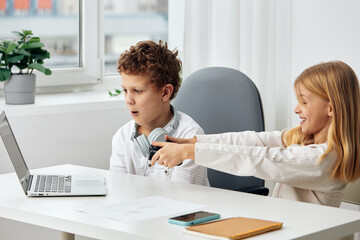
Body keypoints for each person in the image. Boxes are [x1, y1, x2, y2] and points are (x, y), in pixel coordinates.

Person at [150, 61, 360, 207]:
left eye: (304, 102)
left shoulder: (325, 160)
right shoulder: (303, 140)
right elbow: (254, 140)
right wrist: (194, 142)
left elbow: (261, 160)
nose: (296, 109)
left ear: (331, 109)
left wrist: (193, 152)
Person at [110, 40, 209, 186]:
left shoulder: (189, 137)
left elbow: (184, 199)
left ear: (165, 92)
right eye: (125, 90)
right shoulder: (122, 137)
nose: (128, 100)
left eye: (137, 91)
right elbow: (117, 191)